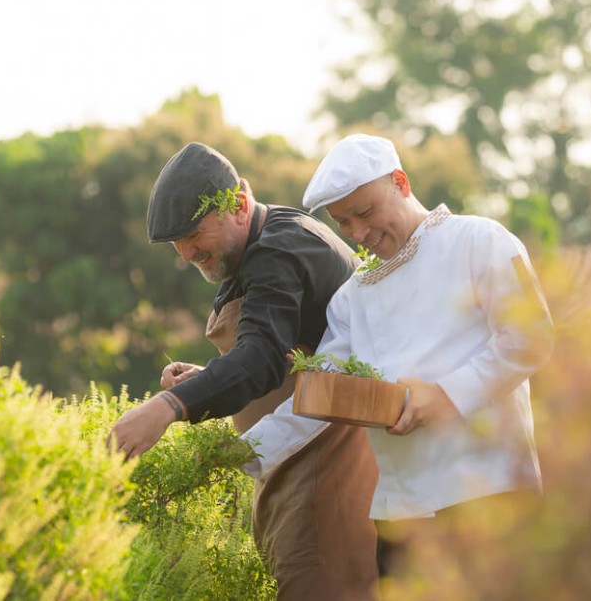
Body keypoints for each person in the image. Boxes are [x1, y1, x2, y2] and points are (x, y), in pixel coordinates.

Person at [243, 133, 554, 575]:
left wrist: (446, 395)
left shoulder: (479, 240)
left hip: (490, 493)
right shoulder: (351, 299)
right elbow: (319, 398)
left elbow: (530, 336)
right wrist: (237, 452)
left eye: (366, 212)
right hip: (401, 515)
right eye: (344, 223)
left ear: (401, 182)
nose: (359, 233)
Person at [109, 142, 380, 600]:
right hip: (288, 469)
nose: (185, 252)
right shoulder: (251, 252)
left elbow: (261, 358)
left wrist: (168, 406)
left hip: (326, 470)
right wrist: (206, 377)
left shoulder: (281, 247)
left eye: (192, 233)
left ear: (237, 205)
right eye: (176, 242)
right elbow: (280, 357)